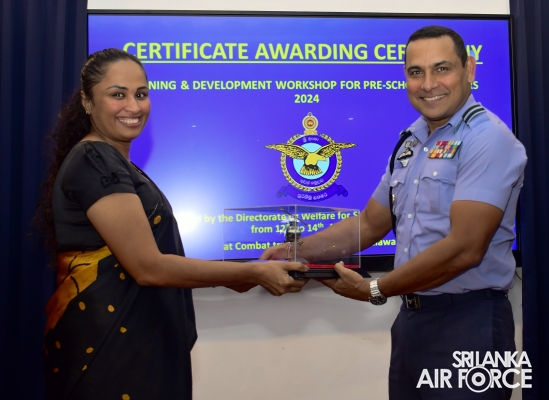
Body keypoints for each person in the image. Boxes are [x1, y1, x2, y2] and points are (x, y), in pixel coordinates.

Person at [261, 26, 527, 399]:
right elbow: (371, 223)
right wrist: (295, 251)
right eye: (416, 72)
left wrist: (375, 287)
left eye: (442, 68)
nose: (428, 84)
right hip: (413, 321)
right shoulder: (412, 141)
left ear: (469, 69)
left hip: (472, 324)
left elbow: (466, 248)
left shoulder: (488, 139)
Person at [36, 48, 309, 400]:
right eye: (118, 94)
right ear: (88, 102)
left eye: (141, 94)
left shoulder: (118, 165)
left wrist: (244, 274)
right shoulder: (95, 159)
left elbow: (154, 262)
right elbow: (148, 267)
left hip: (135, 352)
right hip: (110, 358)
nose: (133, 106)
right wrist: (252, 272)